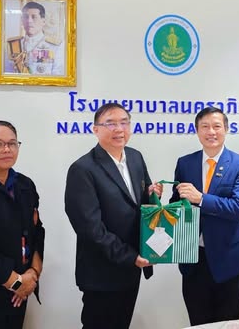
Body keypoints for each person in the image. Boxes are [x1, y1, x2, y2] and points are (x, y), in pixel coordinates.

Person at [64, 103, 163, 329]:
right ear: (95, 129)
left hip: (132, 269)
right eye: (110, 123)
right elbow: (90, 229)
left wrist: (151, 195)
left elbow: (140, 206)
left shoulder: (135, 157)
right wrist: (130, 257)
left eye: (124, 122)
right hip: (102, 273)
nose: (119, 129)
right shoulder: (83, 169)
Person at [170, 106, 239, 325]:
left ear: (226, 129)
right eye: (205, 126)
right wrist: (156, 197)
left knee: (228, 323)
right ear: (197, 131)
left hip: (228, 260)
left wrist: (201, 199)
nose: (211, 132)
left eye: (217, 126)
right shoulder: (185, 163)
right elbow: (177, 204)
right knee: (198, 322)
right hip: (193, 258)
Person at [0, 120, 44, 329]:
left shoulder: (24, 185)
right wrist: (15, 282)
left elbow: (36, 231)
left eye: (12, 143)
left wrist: (32, 273)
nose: (7, 149)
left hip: (20, 291)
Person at [6, 1, 64, 75]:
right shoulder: (13, 45)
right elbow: (6, 73)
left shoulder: (56, 46)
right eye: (26, 17)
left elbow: (58, 75)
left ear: (43, 21)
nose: (29, 21)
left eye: (34, 17)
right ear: (22, 20)